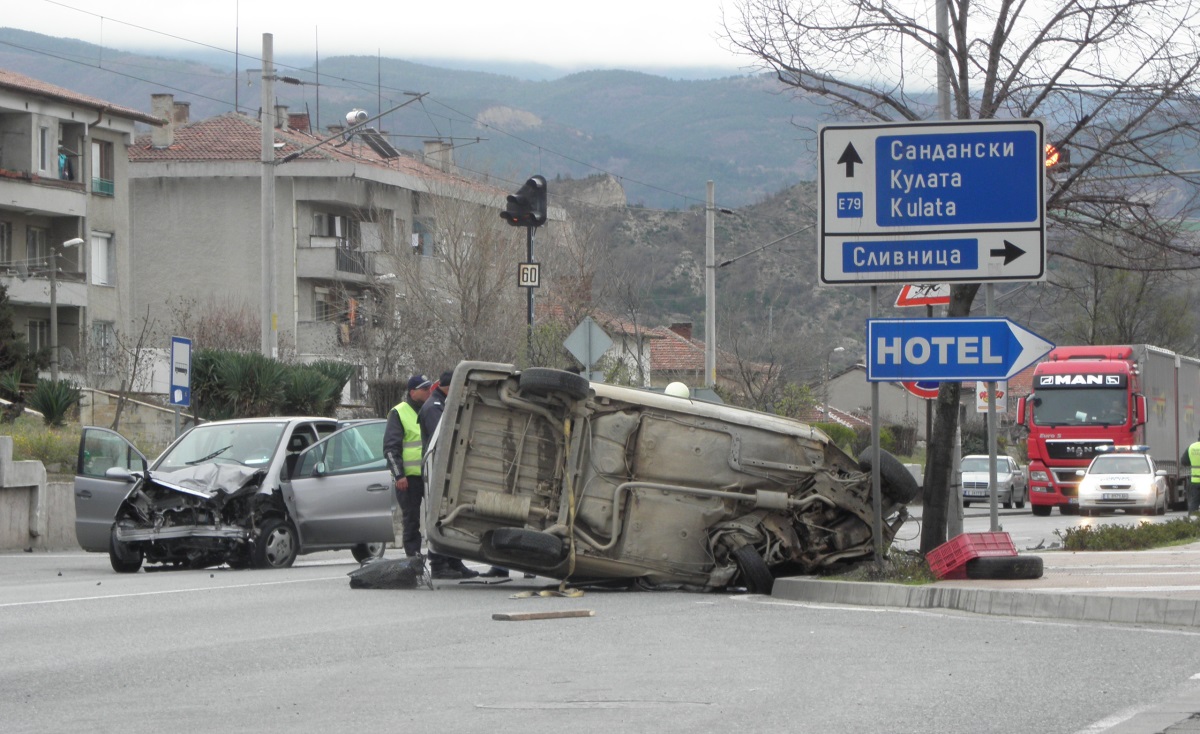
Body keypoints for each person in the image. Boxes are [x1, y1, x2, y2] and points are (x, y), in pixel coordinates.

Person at [418, 370, 481, 579]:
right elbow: (444, 438)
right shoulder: (434, 407)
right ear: (449, 386)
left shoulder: (443, 403)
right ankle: (438, 564)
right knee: (439, 518)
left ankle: (454, 562)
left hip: (444, 470)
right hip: (437, 471)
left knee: (449, 518)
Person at [383, 374, 433, 558]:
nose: (429, 392)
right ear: (413, 392)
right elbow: (390, 448)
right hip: (408, 478)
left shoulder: (428, 409)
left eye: (429, 388)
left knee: (435, 518)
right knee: (411, 520)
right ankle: (413, 558)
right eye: (424, 389)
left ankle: (436, 558)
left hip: (428, 475)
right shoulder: (399, 412)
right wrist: (399, 475)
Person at [1184, 430, 1200, 513]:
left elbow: (1184, 461)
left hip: (1194, 481)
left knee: (1194, 504)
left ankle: (1192, 522)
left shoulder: (1192, 447)